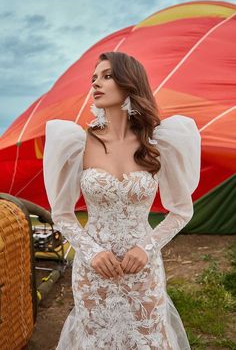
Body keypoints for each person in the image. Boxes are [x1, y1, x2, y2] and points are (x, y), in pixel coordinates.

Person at [43, 51, 201, 350]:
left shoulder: (158, 142)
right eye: (93, 79)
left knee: (146, 340)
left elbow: (181, 211)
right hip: (93, 272)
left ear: (130, 83)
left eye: (107, 76)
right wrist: (91, 252)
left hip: (142, 270)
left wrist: (147, 247)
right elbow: (62, 213)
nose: (96, 84)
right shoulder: (78, 143)